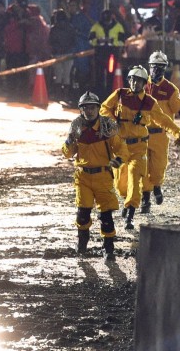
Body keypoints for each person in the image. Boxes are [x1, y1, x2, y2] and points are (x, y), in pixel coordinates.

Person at [100, 66, 180, 229]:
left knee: (135, 177)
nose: (134, 83)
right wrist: (112, 122)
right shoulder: (119, 94)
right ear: (129, 80)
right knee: (121, 184)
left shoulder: (149, 102)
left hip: (139, 147)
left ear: (144, 83)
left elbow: (163, 119)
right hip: (121, 147)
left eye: (138, 80)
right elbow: (104, 108)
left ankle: (130, 215)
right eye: (132, 79)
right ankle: (127, 201)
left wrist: (177, 132)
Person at [62, 91, 128, 260]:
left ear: (98, 108)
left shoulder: (107, 127)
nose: (89, 111)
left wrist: (118, 160)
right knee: (82, 215)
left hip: (102, 176)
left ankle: (109, 250)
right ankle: (82, 246)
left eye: (92, 108)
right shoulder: (76, 127)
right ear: (81, 110)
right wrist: (69, 141)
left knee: (106, 215)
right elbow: (68, 154)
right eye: (86, 108)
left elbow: (121, 148)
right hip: (83, 177)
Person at [141, 51, 180, 213]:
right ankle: (145, 199)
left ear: (164, 69)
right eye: (153, 67)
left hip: (160, 134)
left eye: (159, 68)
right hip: (142, 135)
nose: (156, 71)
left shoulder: (170, 90)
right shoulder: (141, 86)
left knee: (158, 167)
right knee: (142, 168)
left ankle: (157, 186)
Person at [89, 9, 126, 100]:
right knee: (99, 74)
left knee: (111, 74)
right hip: (100, 53)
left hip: (112, 53)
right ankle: (99, 94)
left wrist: (113, 42)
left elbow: (122, 41)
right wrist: (98, 41)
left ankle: (110, 93)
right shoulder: (96, 26)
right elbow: (90, 39)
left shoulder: (118, 26)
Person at [67, 0, 94, 98]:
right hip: (74, 50)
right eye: (69, 5)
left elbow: (89, 34)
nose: (71, 8)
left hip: (82, 50)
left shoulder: (83, 18)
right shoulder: (72, 18)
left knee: (82, 74)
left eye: (73, 5)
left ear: (78, 6)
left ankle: (81, 95)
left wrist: (78, 33)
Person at [48, 9, 77, 101]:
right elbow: (74, 41)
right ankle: (66, 95)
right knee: (67, 75)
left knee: (58, 74)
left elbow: (50, 42)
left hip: (58, 54)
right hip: (68, 54)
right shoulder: (70, 28)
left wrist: (56, 49)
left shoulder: (54, 29)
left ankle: (58, 95)